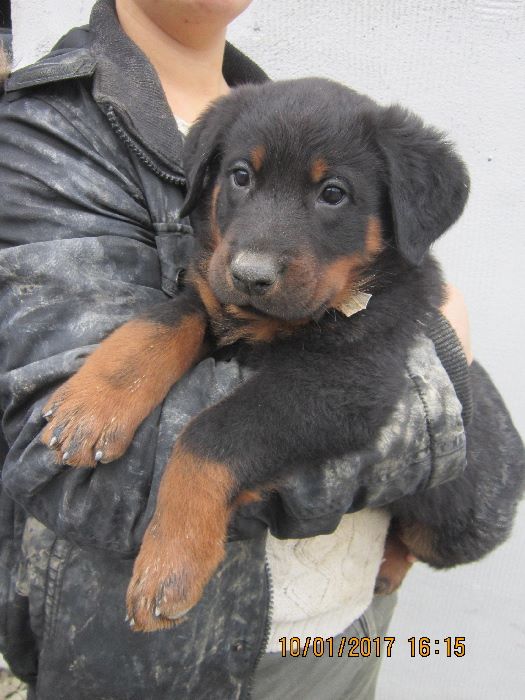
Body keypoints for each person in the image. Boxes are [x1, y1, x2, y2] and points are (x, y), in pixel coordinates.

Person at [0, 1, 523, 698]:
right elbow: (66, 457)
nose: (253, 258)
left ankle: (405, 547)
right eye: (242, 181)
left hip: (373, 597)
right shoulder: (44, 132)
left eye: (332, 194)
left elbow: (341, 399)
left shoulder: (276, 113)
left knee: (447, 534)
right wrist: (444, 356)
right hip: (190, 663)